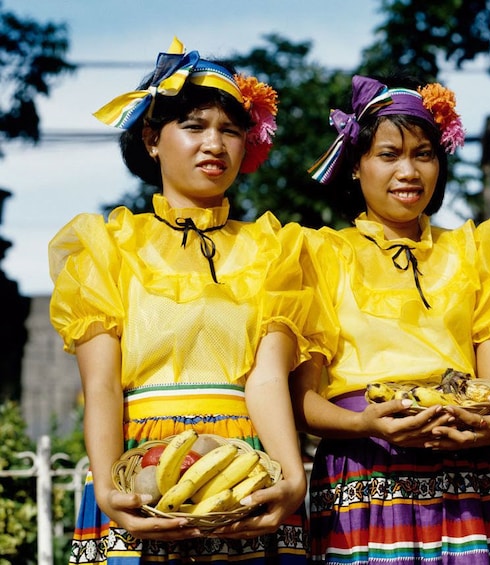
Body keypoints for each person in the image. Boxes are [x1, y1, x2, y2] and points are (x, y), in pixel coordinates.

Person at [49, 38, 311, 563]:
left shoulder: (273, 248)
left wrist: (290, 478)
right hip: (135, 467)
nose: (214, 143)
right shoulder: (107, 247)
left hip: (244, 469)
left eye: (230, 130)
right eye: (194, 126)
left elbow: (265, 379)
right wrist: (106, 488)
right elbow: (100, 384)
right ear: (151, 139)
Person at [290, 74, 490, 564]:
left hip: (469, 480)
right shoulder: (320, 254)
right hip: (364, 477)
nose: (409, 171)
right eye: (388, 154)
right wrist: (365, 424)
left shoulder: (474, 250)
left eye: (424, 154)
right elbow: (303, 403)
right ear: (355, 166)